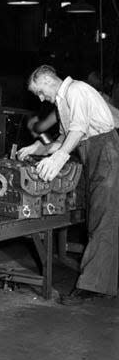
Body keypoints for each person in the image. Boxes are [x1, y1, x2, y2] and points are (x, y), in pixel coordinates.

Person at [17, 65, 119, 304]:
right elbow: (64, 138)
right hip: (91, 152)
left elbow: (79, 130)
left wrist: (60, 156)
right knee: (98, 218)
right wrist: (38, 148)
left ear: (48, 81)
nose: (41, 98)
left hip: (105, 150)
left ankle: (93, 287)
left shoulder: (77, 90)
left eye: (40, 92)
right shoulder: (63, 100)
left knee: (104, 219)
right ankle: (102, 280)